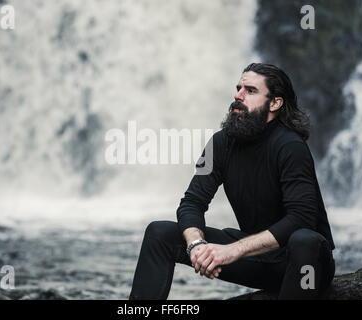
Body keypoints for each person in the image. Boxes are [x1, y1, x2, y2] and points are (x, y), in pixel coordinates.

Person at [129, 63, 336, 300]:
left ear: (275, 103)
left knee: (304, 239)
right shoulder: (220, 143)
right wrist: (196, 245)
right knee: (159, 232)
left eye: (250, 90)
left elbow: (301, 218)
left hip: (305, 265)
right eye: (238, 88)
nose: (238, 95)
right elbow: (192, 203)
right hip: (257, 260)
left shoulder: (290, 146)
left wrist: (231, 251)